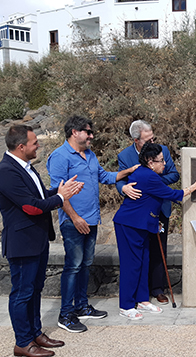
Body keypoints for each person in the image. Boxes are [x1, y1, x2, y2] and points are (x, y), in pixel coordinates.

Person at [0, 125, 83, 357]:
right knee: (22, 293)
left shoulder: (25, 167)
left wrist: (61, 191)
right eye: (34, 143)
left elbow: (40, 196)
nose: (38, 146)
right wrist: (61, 197)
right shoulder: (6, 171)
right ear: (21, 146)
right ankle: (23, 342)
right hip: (22, 243)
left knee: (35, 290)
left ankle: (35, 333)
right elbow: (31, 207)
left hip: (37, 240)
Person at [47, 115, 139, 333]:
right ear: (74, 132)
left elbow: (104, 177)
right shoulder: (59, 156)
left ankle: (81, 306)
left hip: (91, 220)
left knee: (85, 264)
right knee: (73, 266)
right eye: (87, 132)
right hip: (73, 222)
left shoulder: (89, 155)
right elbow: (58, 193)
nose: (91, 136)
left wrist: (128, 172)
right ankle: (65, 314)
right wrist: (75, 217)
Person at [113, 142, 196, 319]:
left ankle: (142, 300)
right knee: (132, 265)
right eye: (161, 161)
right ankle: (126, 306)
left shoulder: (147, 174)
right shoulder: (149, 176)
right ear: (150, 162)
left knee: (144, 261)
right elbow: (175, 195)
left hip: (141, 224)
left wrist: (154, 221)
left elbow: (148, 202)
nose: (165, 164)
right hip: (129, 225)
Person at [116, 120, 180, 306]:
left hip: (160, 209)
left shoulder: (162, 150)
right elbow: (120, 179)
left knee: (159, 249)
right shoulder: (124, 156)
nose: (152, 142)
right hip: (138, 213)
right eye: (147, 140)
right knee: (140, 254)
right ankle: (139, 294)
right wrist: (123, 188)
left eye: (153, 138)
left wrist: (153, 182)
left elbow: (174, 174)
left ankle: (158, 289)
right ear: (136, 140)